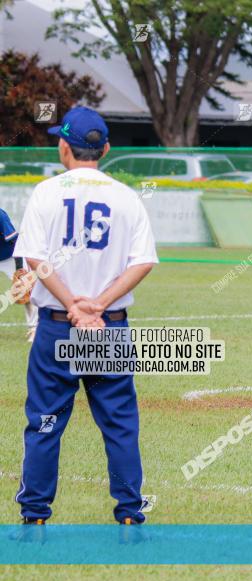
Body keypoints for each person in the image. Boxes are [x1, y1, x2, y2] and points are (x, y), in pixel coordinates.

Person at [13, 106, 158, 526]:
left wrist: (74, 305)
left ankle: (35, 513)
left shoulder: (46, 192)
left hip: (57, 325)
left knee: (44, 422)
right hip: (108, 326)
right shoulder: (126, 196)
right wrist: (97, 305)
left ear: (64, 146)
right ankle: (129, 511)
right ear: (106, 149)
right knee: (119, 423)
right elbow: (143, 262)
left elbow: (36, 257)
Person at [0, 207, 38, 341]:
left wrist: (19, 269)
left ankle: (33, 329)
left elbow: (14, 240)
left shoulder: (0, 215)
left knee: (26, 290)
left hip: (9, 257)